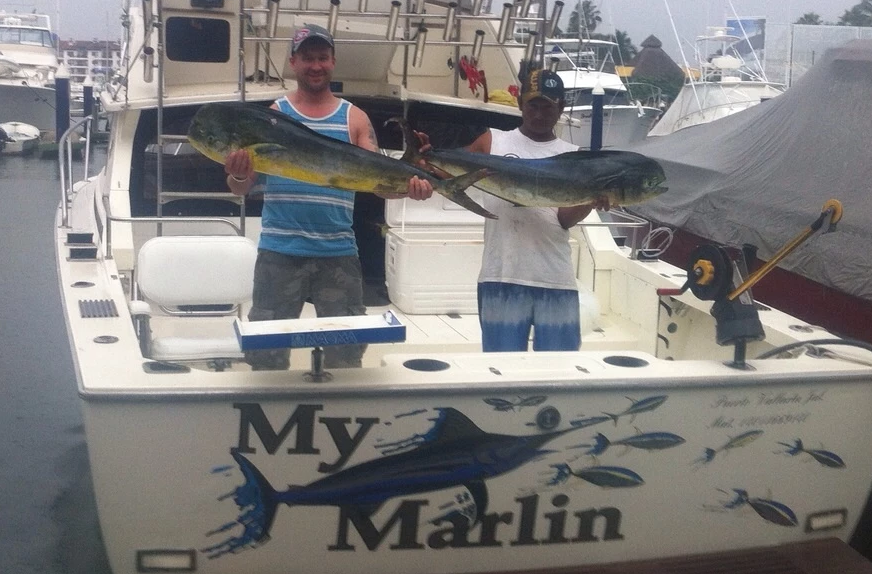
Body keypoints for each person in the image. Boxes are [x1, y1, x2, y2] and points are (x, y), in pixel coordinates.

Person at [224, 24, 433, 370]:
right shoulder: (272, 116)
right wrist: (239, 172)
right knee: (265, 355)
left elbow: (380, 183)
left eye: (322, 57)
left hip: (337, 253)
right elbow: (239, 189)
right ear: (293, 62)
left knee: (346, 355)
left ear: (333, 61)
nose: (315, 65)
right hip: (280, 252)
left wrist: (414, 184)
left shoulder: (354, 118)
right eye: (308, 58)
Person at [459, 64, 606, 352]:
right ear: (520, 104)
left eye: (547, 108)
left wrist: (591, 199)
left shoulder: (574, 157)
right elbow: (451, 172)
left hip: (555, 278)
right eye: (532, 106)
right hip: (501, 275)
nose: (539, 114)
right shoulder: (492, 141)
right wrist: (426, 163)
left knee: (558, 374)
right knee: (501, 369)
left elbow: (563, 219)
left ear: (561, 107)